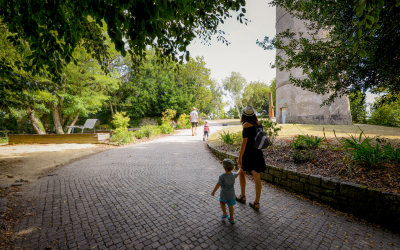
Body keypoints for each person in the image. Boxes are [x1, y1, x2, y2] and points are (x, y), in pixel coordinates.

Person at [236, 105, 267, 212]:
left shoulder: (246, 126)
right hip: (258, 153)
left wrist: (239, 158)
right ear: (254, 115)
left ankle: (242, 196)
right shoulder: (259, 124)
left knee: (241, 173)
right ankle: (257, 202)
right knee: (257, 177)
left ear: (244, 116)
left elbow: (243, 144)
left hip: (248, 154)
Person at [211, 159, 238, 224]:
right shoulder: (233, 174)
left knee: (222, 203)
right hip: (231, 194)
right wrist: (240, 168)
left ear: (224, 167)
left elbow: (218, 184)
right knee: (231, 206)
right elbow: (238, 173)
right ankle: (231, 219)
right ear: (232, 167)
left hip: (224, 194)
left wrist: (213, 191)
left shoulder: (222, 176)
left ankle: (224, 213)